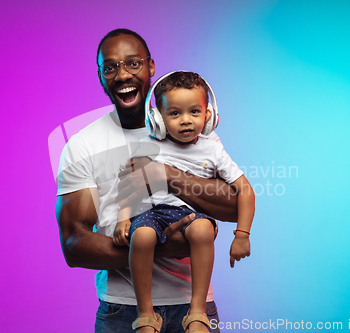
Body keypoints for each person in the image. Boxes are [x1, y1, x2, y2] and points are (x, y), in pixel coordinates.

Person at [56, 29, 239, 333]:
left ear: (151, 68)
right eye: (110, 67)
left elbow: (234, 206)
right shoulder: (83, 145)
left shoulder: (192, 130)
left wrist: (166, 176)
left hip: (194, 309)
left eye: (133, 64)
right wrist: (164, 246)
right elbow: (74, 245)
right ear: (101, 77)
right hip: (122, 312)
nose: (122, 75)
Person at [114, 71, 255, 333]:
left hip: (192, 215)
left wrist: (242, 235)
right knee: (142, 236)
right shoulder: (149, 144)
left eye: (194, 112)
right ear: (157, 119)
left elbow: (245, 190)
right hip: (153, 213)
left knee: (202, 230)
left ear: (209, 115)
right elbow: (130, 187)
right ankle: (145, 314)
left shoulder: (212, 148)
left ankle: (197, 312)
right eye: (175, 114)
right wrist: (123, 217)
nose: (186, 121)